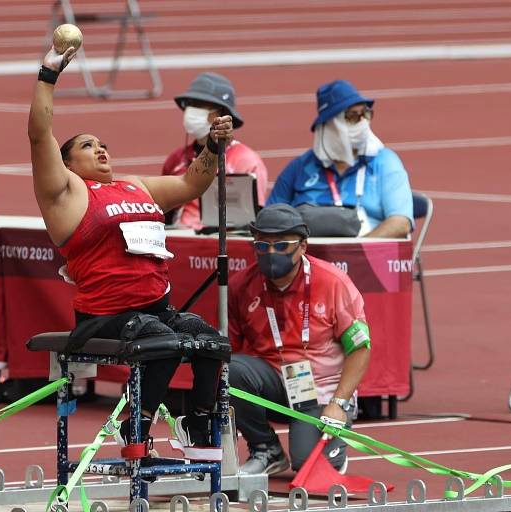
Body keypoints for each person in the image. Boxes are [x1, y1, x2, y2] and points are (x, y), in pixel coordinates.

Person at [28, 45, 233, 459]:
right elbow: (39, 134)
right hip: (104, 317)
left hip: (154, 311)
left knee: (209, 340)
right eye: (88, 146)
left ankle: (197, 422)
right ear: (65, 163)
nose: (100, 149)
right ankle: (134, 425)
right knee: (164, 341)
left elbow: (192, 184)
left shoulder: (135, 186)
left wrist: (212, 147)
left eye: (103, 144)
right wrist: (48, 74)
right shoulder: (66, 193)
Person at [227, 204, 371, 475]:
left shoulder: (332, 282)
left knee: (310, 468)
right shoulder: (240, 286)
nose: (271, 253)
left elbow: (360, 348)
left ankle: (329, 439)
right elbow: (229, 349)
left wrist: (339, 402)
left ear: (303, 246)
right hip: (274, 384)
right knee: (229, 370)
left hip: (323, 390)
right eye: (262, 246)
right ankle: (266, 449)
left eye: (282, 245)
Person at [267, 80, 412, 238]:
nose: (363, 123)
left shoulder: (385, 162)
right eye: (353, 116)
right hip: (307, 251)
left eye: (365, 114)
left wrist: (357, 248)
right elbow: (269, 220)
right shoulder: (299, 168)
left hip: (367, 250)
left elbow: (401, 222)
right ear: (329, 124)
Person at [162, 72, 267, 229]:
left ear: (222, 113)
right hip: (176, 237)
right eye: (190, 103)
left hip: (222, 239)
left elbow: (252, 223)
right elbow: (163, 211)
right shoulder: (176, 159)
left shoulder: (246, 161)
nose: (191, 110)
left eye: (201, 104)